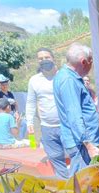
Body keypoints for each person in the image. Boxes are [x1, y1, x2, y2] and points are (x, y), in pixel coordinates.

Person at [53, 43, 99, 175]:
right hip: (81, 145)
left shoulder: (67, 76)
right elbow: (74, 117)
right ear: (84, 62)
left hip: (82, 143)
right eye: (91, 61)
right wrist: (89, 145)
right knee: (83, 184)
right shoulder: (68, 80)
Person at [25, 47, 69, 179]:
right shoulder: (34, 80)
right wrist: (29, 121)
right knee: (55, 157)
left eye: (47, 57)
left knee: (74, 155)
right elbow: (31, 102)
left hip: (66, 125)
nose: (44, 60)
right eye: (41, 58)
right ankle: (65, 185)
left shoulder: (64, 76)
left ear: (53, 58)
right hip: (47, 127)